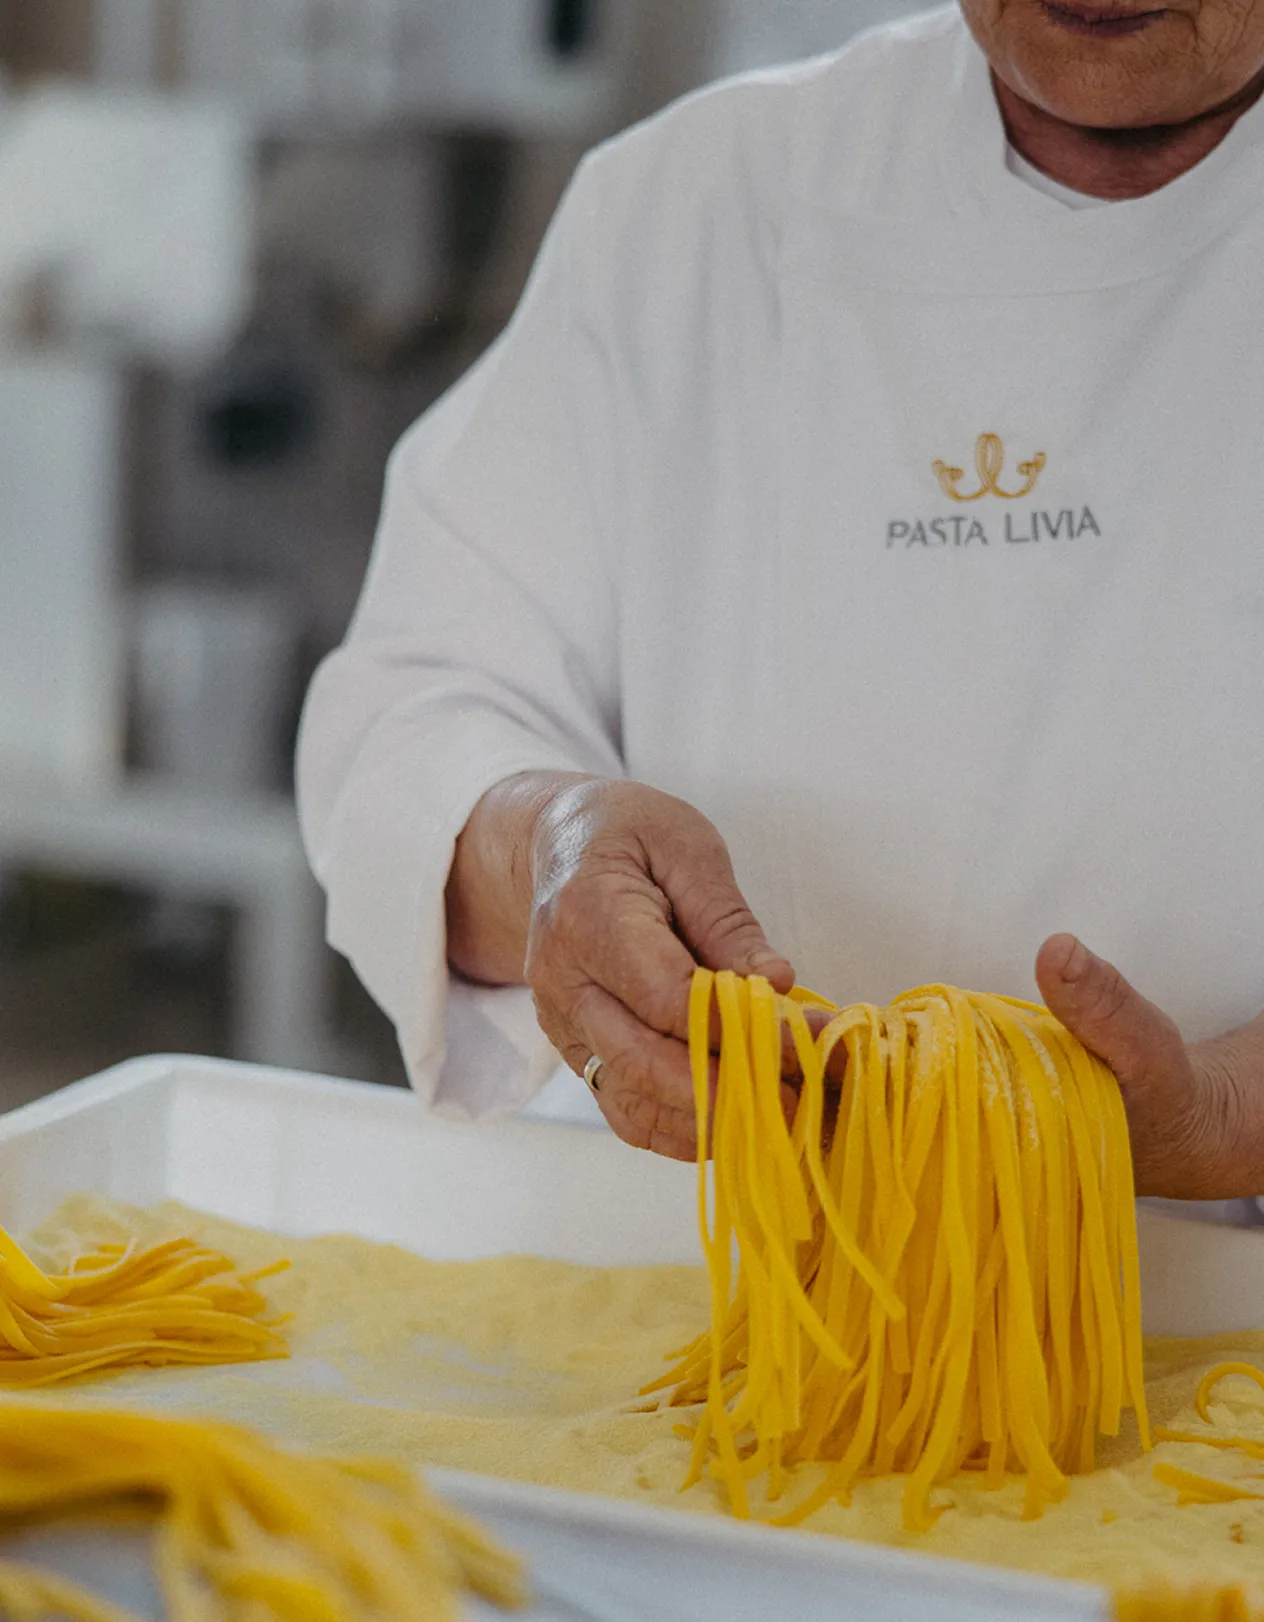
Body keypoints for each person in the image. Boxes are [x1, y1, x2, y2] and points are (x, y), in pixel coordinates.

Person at [297, 0, 1264, 1203]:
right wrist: (547, 858)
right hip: (716, 1252)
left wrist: (1226, 1110)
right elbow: (418, 708)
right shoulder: (695, 204)